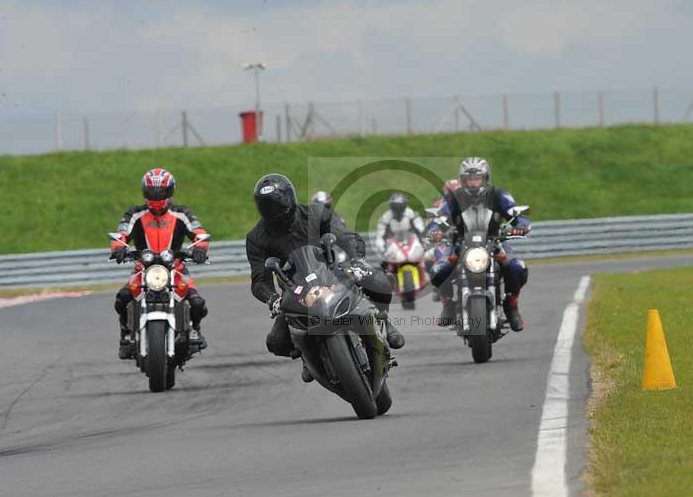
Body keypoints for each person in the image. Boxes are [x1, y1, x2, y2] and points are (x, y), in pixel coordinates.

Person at [246, 174, 405, 380]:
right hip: (296, 291)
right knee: (276, 342)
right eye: (268, 206)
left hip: (332, 273)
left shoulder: (316, 214)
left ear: (290, 197)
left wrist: (356, 259)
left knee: (380, 281)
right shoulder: (257, 237)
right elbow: (259, 279)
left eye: (278, 204)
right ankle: (307, 356)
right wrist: (272, 298)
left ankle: (383, 319)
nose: (274, 211)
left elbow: (345, 236)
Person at [110, 168, 210, 359]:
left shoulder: (182, 213)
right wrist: (118, 248)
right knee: (122, 298)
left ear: (170, 191)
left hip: (176, 269)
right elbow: (120, 234)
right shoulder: (134, 214)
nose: (156, 196)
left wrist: (200, 249)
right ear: (144, 192)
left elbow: (200, 233)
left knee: (197, 303)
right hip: (142, 269)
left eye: (161, 192)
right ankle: (126, 335)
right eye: (152, 192)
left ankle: (195, 329)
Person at [427, 157, 530, 331]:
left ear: (485, 178)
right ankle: (448, 305)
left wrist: (520, 226)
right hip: (461, 243)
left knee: (517, 268)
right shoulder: (454, 197)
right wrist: (435, 231)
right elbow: (441, 216)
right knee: (438, 270)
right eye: (469, 179)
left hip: (494, 240)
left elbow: (515, 212)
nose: (473, 183)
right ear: (462, 180)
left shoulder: (498, 195)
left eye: (477, 178)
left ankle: (511, 305)